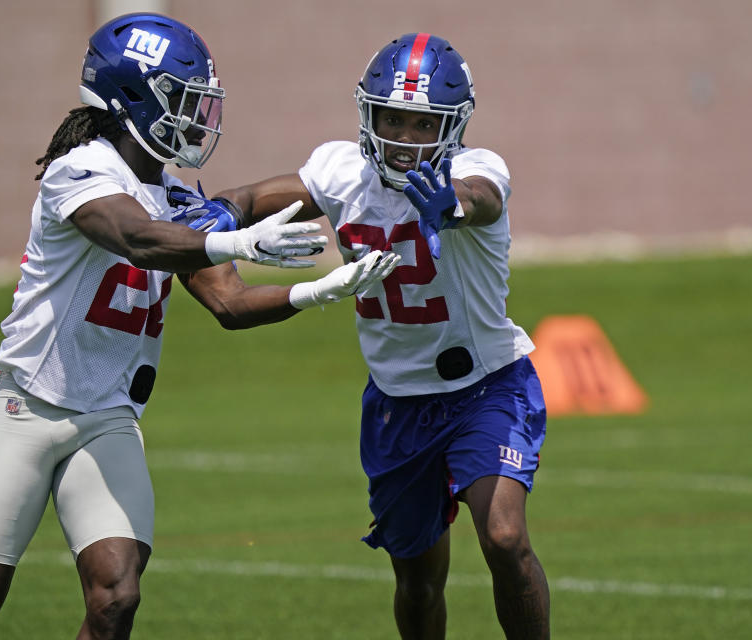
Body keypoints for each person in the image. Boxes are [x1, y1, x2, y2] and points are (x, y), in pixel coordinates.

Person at [0, 13, 397, 640]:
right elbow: (136, 239)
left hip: (107, 416)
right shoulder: (78, 169)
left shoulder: (175, 193)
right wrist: (235, 238)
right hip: (29, 405)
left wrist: (318, 289)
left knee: (116, 596)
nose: (196, 119)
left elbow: (230, 306)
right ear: (132, 97)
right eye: (183, 103)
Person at [214, 32, 550, 640]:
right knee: (418, 578)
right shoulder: (343, 171)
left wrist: (449, 204)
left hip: (487, 384)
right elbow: (247, 198)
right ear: (368, 113)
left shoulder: (475, 170)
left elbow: (484, 200)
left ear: (453, 125)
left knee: (504, 536)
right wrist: (214, 219)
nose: (404, 138)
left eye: (424, 124)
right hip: (397, 398)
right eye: (393, 118)